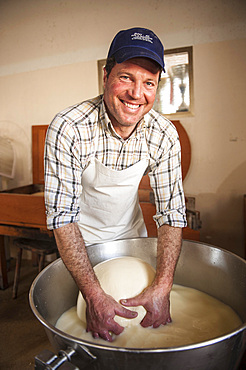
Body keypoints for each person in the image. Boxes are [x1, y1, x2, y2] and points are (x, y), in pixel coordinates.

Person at [44, 27, 187, 342]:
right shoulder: (70, 129)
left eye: (148, 83)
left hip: (132, 241)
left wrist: (163, 286)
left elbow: (171, 213)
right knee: (90, 333)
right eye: (126, 78)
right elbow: (62, 219)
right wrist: (94, 295)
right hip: (81, 248)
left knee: (137, 334)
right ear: (106, 76)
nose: (137, 94)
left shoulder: (163, 135)